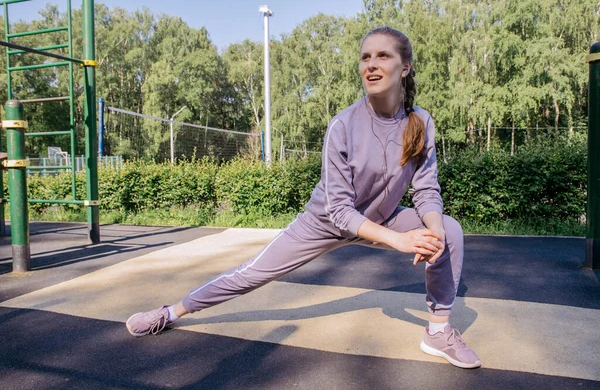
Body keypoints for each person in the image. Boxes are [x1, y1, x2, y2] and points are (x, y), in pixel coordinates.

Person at [126, 26, 481, 369]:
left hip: (383, 218)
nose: (370, 64)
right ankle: (170, 312)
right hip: (324, 223)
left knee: (448, 230)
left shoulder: (421, 122)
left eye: (382, 56)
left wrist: (431, 236)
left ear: (405, 67)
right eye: (364, 57)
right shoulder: (343, 125)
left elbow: (426, 189)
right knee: (249, 275)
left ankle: (437, 332)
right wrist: (400, 240)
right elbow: (340, 211)